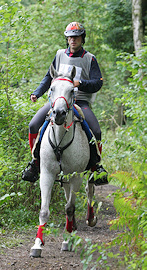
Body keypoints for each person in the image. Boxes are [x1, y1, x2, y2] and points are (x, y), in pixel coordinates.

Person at [22, 22, 108, 185]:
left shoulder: (90, 59)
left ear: (82, 38)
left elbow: (98, 83)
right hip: (57, 101)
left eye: (76, 37)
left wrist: (80, 83)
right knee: (33, 125)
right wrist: (37, 93)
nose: (73, 40)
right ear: (67, 39)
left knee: (96, 130)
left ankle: (96, 167)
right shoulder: (59, 54)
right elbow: (49, 76)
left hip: (80, 101)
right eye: (70, 37)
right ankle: (35, 163)